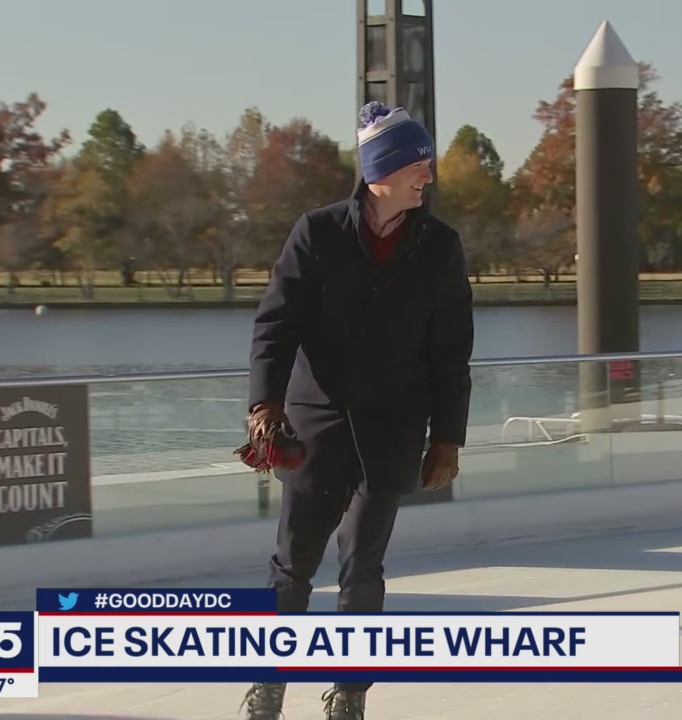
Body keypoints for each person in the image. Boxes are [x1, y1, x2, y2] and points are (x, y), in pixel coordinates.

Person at [238, 101, 474, 720]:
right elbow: (275, 326)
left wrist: (447, 438)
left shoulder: (441, 247)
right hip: (315, 429)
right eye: (418, 162)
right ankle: (268, 685)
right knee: (293, 567)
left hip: (394, 432)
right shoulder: (316, 233)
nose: (429, 174)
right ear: (384, 169)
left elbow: (453, 352)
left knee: (364, 568)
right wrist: (265, 403)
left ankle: (349, 694)